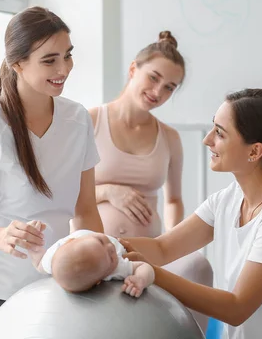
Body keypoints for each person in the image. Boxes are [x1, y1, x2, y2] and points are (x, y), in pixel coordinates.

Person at [121, 89, 262, 339]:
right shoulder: (228, 199)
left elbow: (237, 308)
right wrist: (103, 245)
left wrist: (151, 273)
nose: (207, 140)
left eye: (220, 133)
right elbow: (162, 249)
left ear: (254, 152)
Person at [0, 6, 103, 339]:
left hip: (52, 286)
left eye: (68, 56)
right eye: (49, 60)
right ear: (18, 63)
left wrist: (98, 264)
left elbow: (86, 209)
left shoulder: (78, 120)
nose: (64, 69)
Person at [88, 30, 213, 331]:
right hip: (96, 249)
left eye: (170, 87)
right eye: (153, 78)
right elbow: (61, 193)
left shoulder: (169, 138)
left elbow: (173, 200)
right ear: (133, 69)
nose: (158, 92)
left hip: (149, 253)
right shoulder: (90, 120)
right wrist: (108, 192)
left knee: (198, 266)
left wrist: (168, 243)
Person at [26, 220, 155, 297]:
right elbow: (144, 266)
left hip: (81, 238)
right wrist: (141, 279)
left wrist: (33, 242)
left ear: (69, 240)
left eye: (101, 240)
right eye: (111, 257)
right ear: (99, 281)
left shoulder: (54, 255)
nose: (110, 246)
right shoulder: (114, 269)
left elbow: (39, 264)